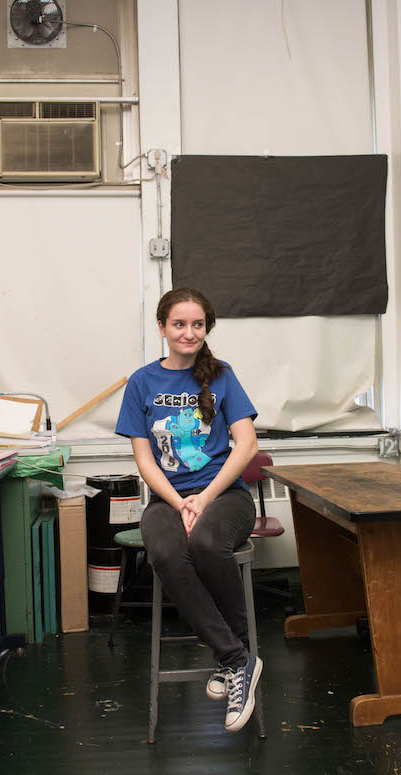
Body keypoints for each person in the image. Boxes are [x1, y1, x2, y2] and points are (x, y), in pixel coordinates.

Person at [115, 287, 263, 733]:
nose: (189, 332)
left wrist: (205, 498)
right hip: (168, 498)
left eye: (198, 324)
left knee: (206, 542)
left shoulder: (222, 375)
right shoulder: (141, 382)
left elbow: (246, 445)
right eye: (179, 324)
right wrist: (179, 501)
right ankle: (236, 657)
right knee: (163, 552)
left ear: (206, 328)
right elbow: (145, 460)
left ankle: (233, 659)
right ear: (162, 327)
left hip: (224, 495)